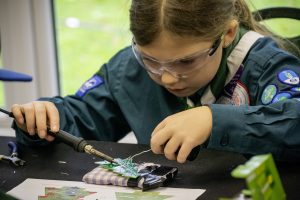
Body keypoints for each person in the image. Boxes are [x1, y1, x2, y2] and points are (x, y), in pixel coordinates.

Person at [11, 0, 300, 163]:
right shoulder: (128, 68)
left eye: (186, 61)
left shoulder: (265, 65)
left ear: (226, 34)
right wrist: (47, 116)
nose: (166, 76)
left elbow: (294, 119)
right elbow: (86, 115)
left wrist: (216, 121)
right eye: (149, 59)